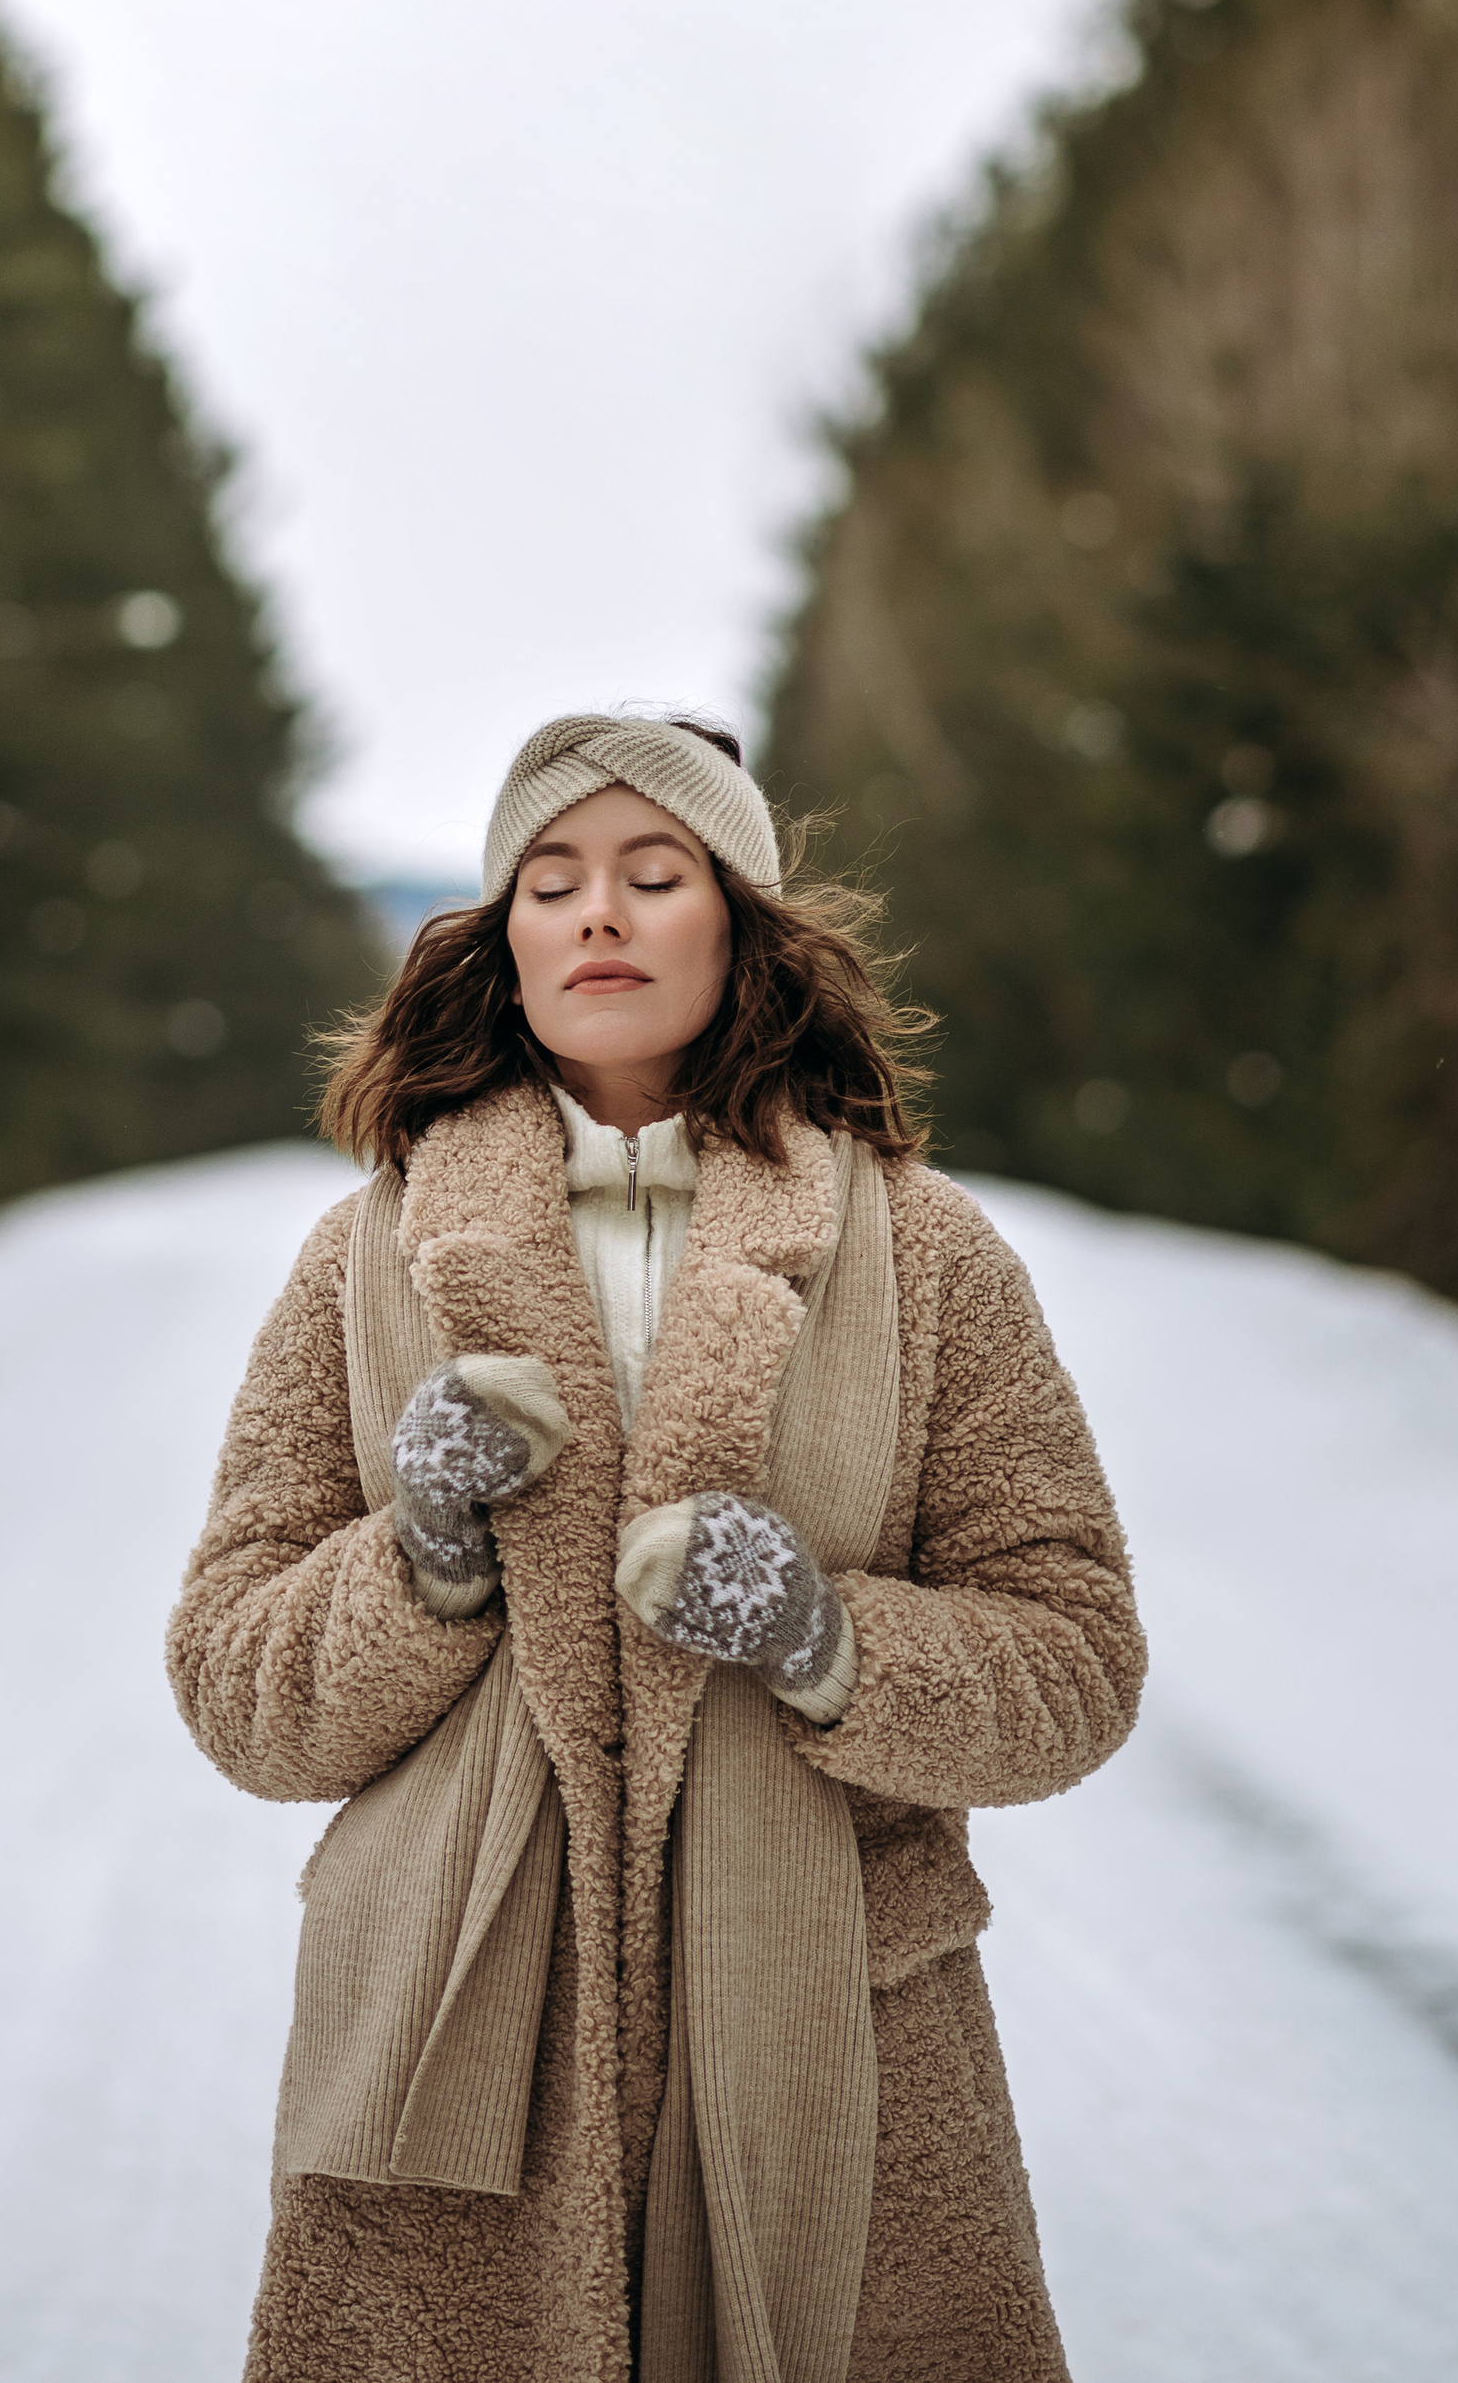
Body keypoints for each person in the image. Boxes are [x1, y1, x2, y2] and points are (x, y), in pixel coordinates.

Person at [168, 710, 1144, 2383]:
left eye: (652, 871)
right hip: (455, 2051)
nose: (598, 913)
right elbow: (238, 1689)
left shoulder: (923, 1247)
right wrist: (422, 1551)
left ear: (740, 926)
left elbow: (1074, 1657)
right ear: (508, 944)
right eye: (550, 883)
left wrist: (823, 1634)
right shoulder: (368, 1256)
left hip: (834, 2028)